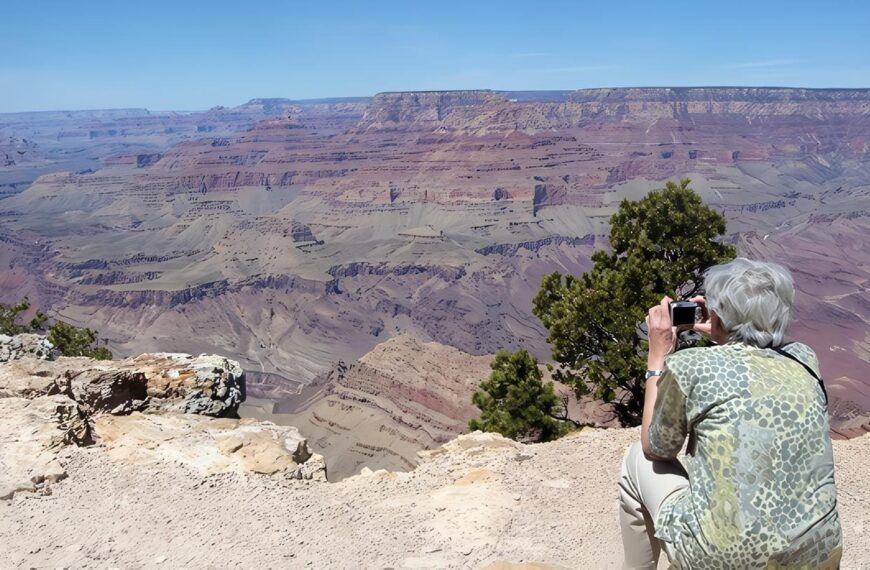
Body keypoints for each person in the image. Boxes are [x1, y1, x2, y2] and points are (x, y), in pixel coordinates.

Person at [618, 258, 842, 569]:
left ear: (718, 316)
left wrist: (658, 355)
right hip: (819, 553)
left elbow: (656, 447)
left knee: (636, 461)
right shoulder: (804, 359)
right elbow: (753, 360)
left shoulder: (692, 366)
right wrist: (728, 331)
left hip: (725, 559)